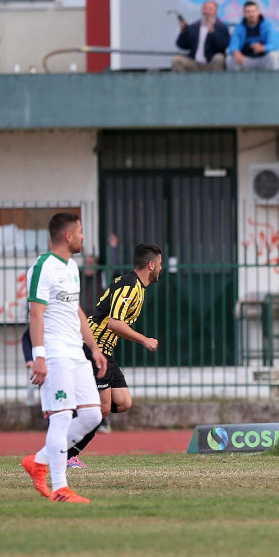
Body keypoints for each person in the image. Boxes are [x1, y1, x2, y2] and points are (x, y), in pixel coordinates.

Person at [20, 213, 107, 504]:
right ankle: (60, 487)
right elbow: (35, 314)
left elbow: (76, 310)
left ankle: (39, 460)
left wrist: (93, 347)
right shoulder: (43, 267)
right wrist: (39, 356)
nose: (83, 237)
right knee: (61, 417)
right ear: (68, 236)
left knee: (93, 416)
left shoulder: (71, 267)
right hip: (55, 353)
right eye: (80, 232)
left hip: (75, 352)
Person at [65, 243, 164, 465]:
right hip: (93, 348)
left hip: (105, 351)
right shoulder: (129, 286)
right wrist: (144, 339)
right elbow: (114, 323)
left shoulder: (136, 286)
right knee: (102, 409)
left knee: (123, 402)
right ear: (151, 265)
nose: (161, 268)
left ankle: (77, 413)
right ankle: (68, 453)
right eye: (160, 264)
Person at [171, 0, 229, 72]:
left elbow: (222, 46)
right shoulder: (194, 27)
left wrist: (212, 32)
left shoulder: (221, 28)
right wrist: (184, 33)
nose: (207, 12)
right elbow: (181, 46)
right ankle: (182, 80)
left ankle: (216, 79)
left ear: (215, 12)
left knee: (219, 58)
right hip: (194, 63)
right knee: (176, 60)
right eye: (205, 9)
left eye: (210, 9)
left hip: (211, 63)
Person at [228, 0, 279, 71]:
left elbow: (273, 44)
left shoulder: (267, 26)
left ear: (258, 12)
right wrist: (235, 52)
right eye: (248, 12)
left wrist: (263, 48)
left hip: (262, 59)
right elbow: (233, 45)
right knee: (230, 58)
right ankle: (235, 79)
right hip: (245, 60)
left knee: (273, 56)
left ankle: (272, 78)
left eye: (253, 11)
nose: (251, 14)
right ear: (244, 13)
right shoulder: (239, 27)